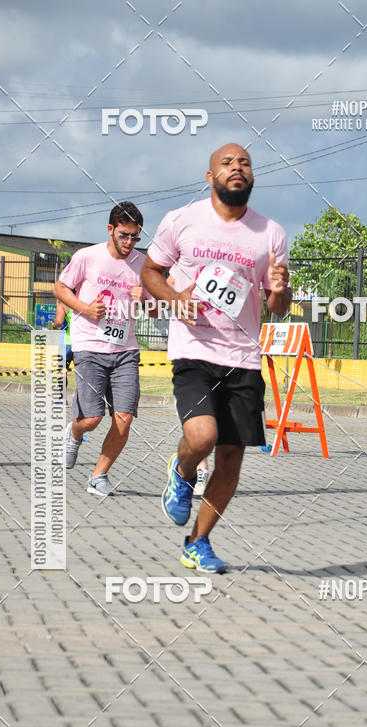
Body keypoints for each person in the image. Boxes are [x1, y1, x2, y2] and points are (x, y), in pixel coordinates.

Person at [142, 142, 291, 573]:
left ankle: (198, 542)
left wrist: (281, 290)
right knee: (203, 437)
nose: (236, 168)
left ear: (252, 177)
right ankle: (183, 468)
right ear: (211, 177)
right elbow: (150, 270)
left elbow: (277, 305)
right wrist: (174, 297)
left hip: (243, 356)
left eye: (244, 162)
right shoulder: (183, 220)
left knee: (230, 458)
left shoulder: (271, 233)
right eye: (226, 163)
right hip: (193, 349)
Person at [53, 201, 153, 496]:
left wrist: (144, 298)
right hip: (89, 346)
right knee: (92, 420)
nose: (130, 242)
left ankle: (98, 476)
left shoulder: (142, 263)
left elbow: (153, 308)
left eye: (136, 237)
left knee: (124, 419)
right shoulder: (87, 256)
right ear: (110, 229)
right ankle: (74, 433)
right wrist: (85, 308)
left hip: (125, 350)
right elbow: (60, 288)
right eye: (124, 235)